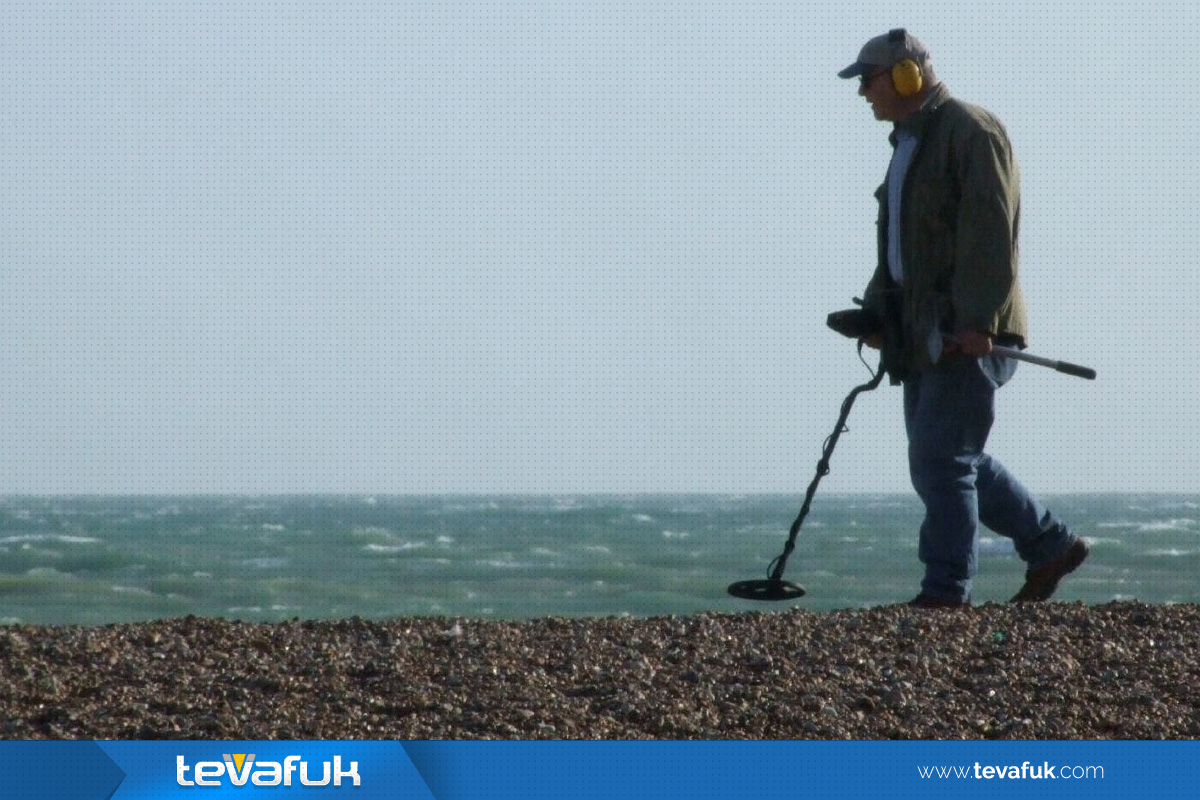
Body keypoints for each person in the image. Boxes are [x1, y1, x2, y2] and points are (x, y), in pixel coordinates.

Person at [837, 29, 1088, 608]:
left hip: (967, 334)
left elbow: (990, 236)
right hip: (923, 333)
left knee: (939, 459)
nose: (863, 94)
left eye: (869, 80)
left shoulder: (972, 132)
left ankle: (945, 594)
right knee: (953, 455)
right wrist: (878, 315)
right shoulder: (908, 144)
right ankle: (1049, 544)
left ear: (906, 76)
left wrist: (979, 320)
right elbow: (901, 250)